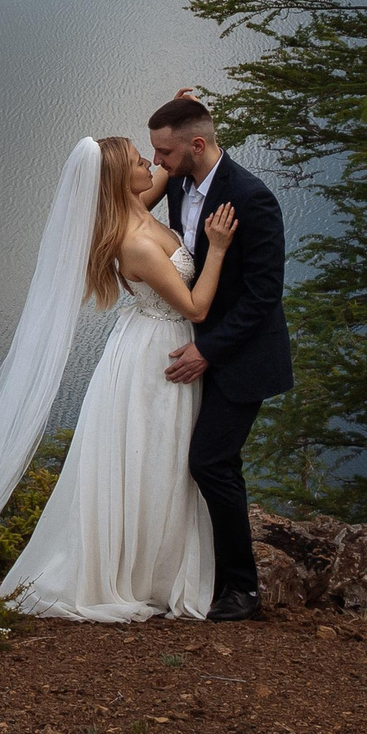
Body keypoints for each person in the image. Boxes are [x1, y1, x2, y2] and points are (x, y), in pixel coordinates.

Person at [0, 136, 234, 619]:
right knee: (158, 454)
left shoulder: (135, 206)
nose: (151, 164)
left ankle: (152, 564)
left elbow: (162, 173)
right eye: (141, 161)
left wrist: (179, 123)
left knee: (158, 455)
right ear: (122, 180)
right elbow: (196, 307)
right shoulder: (136, 242)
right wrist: (219, 249)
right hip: (158, 352)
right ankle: (146, 573)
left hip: (147, 338)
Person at [149, 92, 293, 623]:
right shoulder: (178, 182)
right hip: (192, 346)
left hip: (240, 358)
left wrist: (207, 350)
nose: (157, 162)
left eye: (164, 152)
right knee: (179, 460)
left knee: (211, 461)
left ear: (197, 145)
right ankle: (196, 576)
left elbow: (263, 295)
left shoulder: (251, 198)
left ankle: (242, 589)